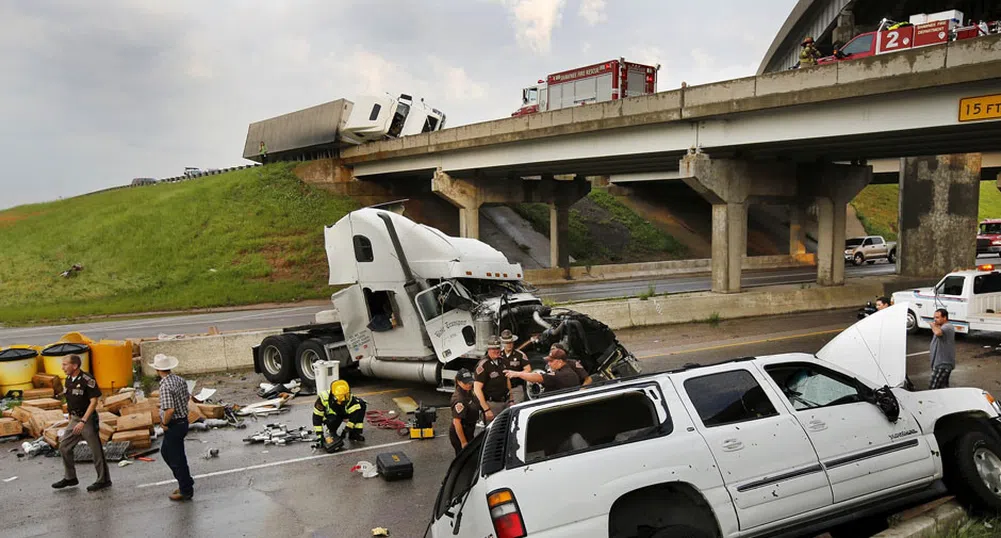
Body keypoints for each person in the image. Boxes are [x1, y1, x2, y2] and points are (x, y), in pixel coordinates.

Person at [52, 354, 111, 492]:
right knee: (64, 446)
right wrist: (70, 417)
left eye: (65, 364)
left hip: (87, 419)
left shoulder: (87, 380)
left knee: (96, 450)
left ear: (75, 365)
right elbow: (70, 399)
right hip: (74, 419)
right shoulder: (68, 380)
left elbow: (94, 401)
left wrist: (84, 421)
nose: (62, 367)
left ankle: (103, 480)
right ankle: (70, 477)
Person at [151, 353, 194, 501]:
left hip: (174, 424)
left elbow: (169, 410)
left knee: (176, 458)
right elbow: (187, 397)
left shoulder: (165, 386)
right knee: (168, 453)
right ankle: (185, 481)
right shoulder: (179, 380)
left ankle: (186, 489)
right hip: (183, 421)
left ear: (158, 370)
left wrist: (164, 423)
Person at [312, 379, 367, 453]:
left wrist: (347, 429)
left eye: (344, 402)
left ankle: (354, 434)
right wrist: (320, 436)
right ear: (333, 396)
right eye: (340, 402)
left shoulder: (349, 397)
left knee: (361, 405)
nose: (342, 403)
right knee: (333, 419)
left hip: (344, 413)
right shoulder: (323, 399)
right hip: (332, 416)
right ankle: (332, 431)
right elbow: (316, 418)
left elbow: (355, 414)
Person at [505, 347, 581, 395]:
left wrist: (517, 374)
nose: (548, 363)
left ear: (560, 362)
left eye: (551, 361)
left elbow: (538, 377)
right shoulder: (567, 371)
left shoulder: (563, 374)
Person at [473, 336, 509, 424]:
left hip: (506, 402)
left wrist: (511, 399)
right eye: (493, 348)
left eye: (498, 348)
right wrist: (486, 409)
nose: (496, 351)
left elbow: (507, 380)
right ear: (488, 349)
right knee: (493, 433)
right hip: (492, 405)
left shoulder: (503, 361)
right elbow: (477, 389)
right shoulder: (483, 365)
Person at [449, 369, 478, 455]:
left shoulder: (468, 392)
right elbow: (457, 422)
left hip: (469, 429)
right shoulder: (459, 399)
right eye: (466, 383)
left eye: (470, 382)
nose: (469, 385)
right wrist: (463, 442)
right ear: (458, 382)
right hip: (461, 432)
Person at [499, 330, 531, 404]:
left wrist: (516, 374)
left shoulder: (520, 355)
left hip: (516, 389)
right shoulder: (498, 355)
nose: (509, 345)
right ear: (503, 343)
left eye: (511, 342)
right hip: (501, 389)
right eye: (507, 343)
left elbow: (528, 370)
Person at [929, 308, 956, 389]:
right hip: (940, 363)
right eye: (934, 317)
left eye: (937, 317)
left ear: (944, 318)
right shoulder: (942, 327)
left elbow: (938, 333)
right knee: (942, 388)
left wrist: (933, 325)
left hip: (943, 364)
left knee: (933, 388)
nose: (935, 319)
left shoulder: (948, 327)